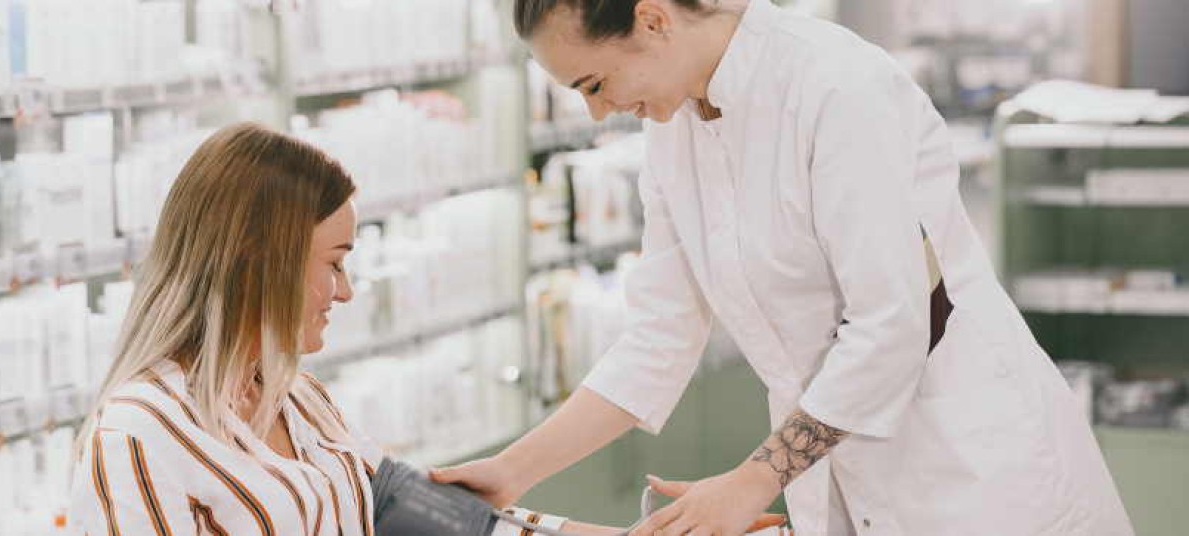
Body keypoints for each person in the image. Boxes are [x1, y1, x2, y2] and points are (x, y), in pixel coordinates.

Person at [432, 1, 1135, 535]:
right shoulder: (673, 131)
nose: (594, 113)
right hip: (836, 469)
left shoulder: (834, 86)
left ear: (651, 21)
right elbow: (659, 336)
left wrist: (750, 481)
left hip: (971, 466)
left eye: (593, 82)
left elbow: (897, 321)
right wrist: (511, 470)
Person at [67, 122, 646, 536]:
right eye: (334, 262)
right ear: (258, 259)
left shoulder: (295, 397)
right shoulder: (139, 437)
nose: (344, 290)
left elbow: (432, 519)